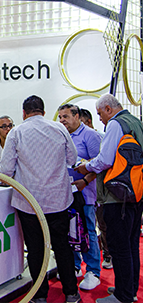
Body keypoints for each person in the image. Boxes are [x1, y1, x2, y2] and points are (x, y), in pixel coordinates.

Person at [0, 95, 80, 303]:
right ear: (44, 112)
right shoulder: (59, 128)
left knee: (35, 250)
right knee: (62, 246)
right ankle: (71, 293)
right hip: (58, 200)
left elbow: (6, 169)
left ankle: (40, 295)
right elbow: (72, 159)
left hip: (29, 203)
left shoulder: (16, 132)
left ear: (24, 113)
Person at [75, 94, 143, 303]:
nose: (100, 119)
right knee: (131, 244)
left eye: (99, 114)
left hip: (117, 195)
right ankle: (128, 289)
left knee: (119, 247)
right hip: (135, 193)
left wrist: (86, 167)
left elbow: (105, 160)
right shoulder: (136, 122)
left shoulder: (116, 124)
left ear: (108, 108)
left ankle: (122, 296)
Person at [58, 104, 102, 290]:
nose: (62, 120)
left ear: (77, 116)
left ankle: (93, 271)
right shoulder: (61, 135)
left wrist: (85, 180)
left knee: (88, 230)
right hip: (65, 193)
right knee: (70, 230)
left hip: (86, 193)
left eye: (66, 116)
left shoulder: (90, 136)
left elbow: (100, 164)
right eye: (60, 117)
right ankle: (74, 265)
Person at [80, 107, 112, 270]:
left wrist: (87, 171)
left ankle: (108, 254)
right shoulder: (72, 138)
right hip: (85, 191)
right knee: (87, 226)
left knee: (102, 225)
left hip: (101, 189)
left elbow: (102, 163)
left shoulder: (100, 137)